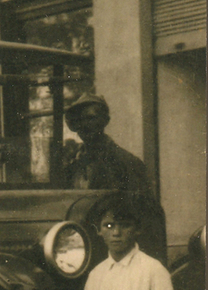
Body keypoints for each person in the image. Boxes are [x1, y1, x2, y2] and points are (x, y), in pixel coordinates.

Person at [63, 93, 166, 259]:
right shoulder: (72, 166)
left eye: (91, 118)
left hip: (117, 253)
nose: (85, 125)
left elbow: (147, 218)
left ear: (105, 121)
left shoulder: (127, 163)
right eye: (79, 120)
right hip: (80, 251)